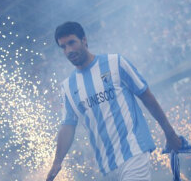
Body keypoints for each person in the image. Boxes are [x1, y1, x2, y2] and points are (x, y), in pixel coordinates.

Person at [46, 21, 181, 181]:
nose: (68, 50)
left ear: (84, 40)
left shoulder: (115, 63)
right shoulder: (68, 86)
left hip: (134, 152)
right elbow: (68, 125)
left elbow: (146, 96)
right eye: (63, 47)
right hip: (106, 166)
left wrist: (170, 133)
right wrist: (57, 162)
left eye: (71, 43)